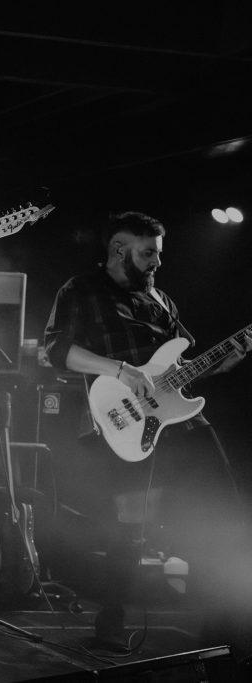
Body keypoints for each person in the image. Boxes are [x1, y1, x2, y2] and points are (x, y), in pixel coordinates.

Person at [43, 211, 250, 651]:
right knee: (129, 526)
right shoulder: (82, 289)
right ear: (119, 250)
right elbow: (58, 350)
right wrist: (120, 369)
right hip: (123, 418)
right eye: (148, 253)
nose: (157, 261)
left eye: (158, 252)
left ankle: (228, 624)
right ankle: (111, 621)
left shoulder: (162, 299)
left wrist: (218, 365)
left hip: (181, 420)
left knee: (223, 505)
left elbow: (179, 369)